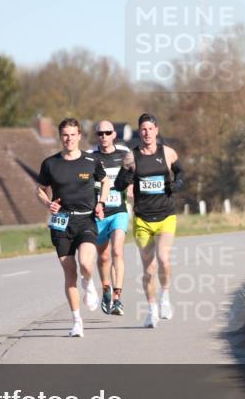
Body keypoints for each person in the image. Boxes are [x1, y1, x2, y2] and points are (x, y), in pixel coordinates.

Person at [36, 118, 111, 338]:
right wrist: (47, 203)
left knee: (86, 263)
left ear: (79, 136)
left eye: (73, 134)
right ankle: (77, 321)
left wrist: (101, 203)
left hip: (85, 219)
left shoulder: (90, 160)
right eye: (65, 135)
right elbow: (39, 189)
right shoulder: (50, 164)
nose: (69, 139)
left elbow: (105, 181)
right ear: (61, 137)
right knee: (69, 274)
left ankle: (88, 283)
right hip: (61, 223)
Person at [115, 113, 184, 329]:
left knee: (163, 258)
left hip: (165, 216)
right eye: (142, 129)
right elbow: (118, 184)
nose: (146, 133)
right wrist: (127, 176)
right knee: (149, 269)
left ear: (156, 130)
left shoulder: (168, 153)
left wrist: (177, 183)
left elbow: (181, 172)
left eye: (150, 129)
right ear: (139, 131)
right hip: (143, 219)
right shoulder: (131, 157)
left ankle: (165, 296)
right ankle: (151, 309)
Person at [88, 120, 131, 316]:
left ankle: (117, 297)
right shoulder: (89, 156)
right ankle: (106, 288)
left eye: (107, 133)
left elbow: (134, 175)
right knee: (103, 256)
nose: (104, 136)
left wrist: (131, 188)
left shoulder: (124, 153)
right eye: (100, 133)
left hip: (119, 210)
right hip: (98, 212)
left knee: (117, 251)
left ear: (114, 134)